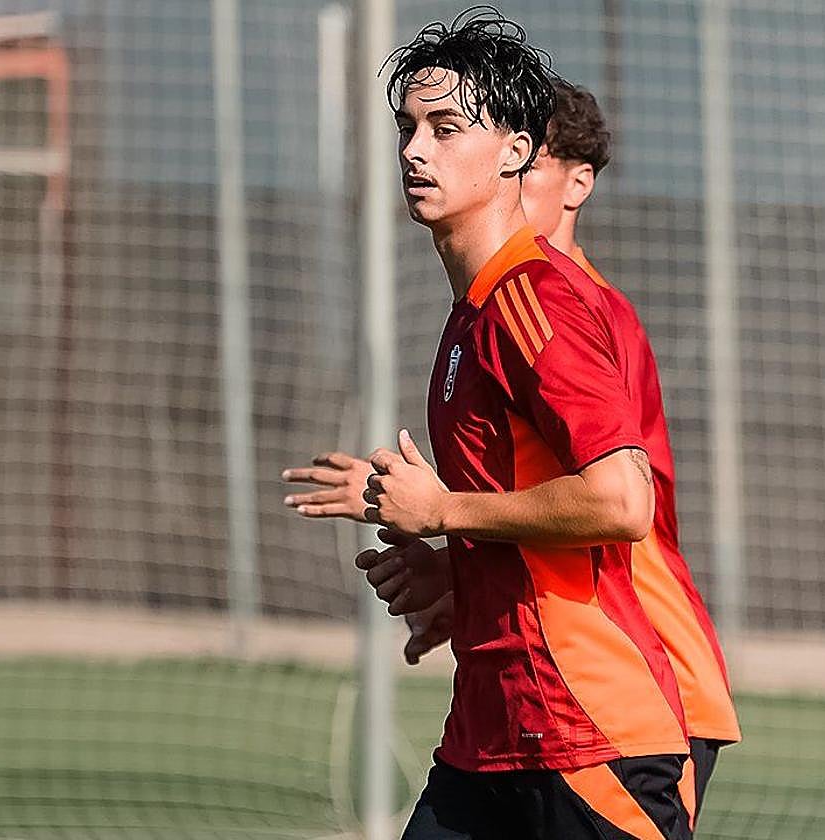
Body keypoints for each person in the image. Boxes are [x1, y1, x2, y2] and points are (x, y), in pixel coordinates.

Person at [286, 11, 690, 839]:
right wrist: (458, 578)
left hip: (586, 738)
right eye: (408, 128)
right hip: (489, 738)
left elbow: (622, 502)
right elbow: (532, 520)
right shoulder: (473, 312)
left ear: (516, 151)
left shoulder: (535, 300)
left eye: (446, 128)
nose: (413, 151)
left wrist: (445, 512)